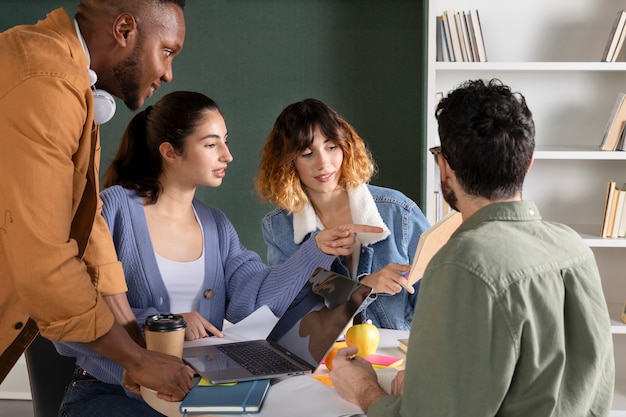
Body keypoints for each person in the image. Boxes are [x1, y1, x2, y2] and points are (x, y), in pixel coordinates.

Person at [54, 91, 381, 416]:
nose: (227, 155)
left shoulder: (216, 225)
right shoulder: (112, 210)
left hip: (196, 393)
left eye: (225, 142)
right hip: (113, 393)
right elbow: (70, 317)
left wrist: (316, 249)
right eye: (211, 145)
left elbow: (252, 301)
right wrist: (166, 325)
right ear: (170, 152)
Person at [329, 79, 616, 416]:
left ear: (445, 168)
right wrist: (429, 382)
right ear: (528, 163)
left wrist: (363, 388)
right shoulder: (574, 248)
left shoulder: (461, 262)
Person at [0, 0, 195, 401]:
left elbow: (87, 225)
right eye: (167, 51)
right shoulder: (48, 83)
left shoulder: (69, 79)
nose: (168, 73)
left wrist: (134, 346)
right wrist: (137, 361)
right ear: (124, 31)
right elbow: (46, 261)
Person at [255, 98, 430, 330]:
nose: (323, 163)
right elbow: (292, 310)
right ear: (288, 163)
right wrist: (364, 288)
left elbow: (437, 299)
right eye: (308, 153)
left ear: (346, 147)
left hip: (395, 357)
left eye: (331, 147)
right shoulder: (279, 227)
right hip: (322, 360)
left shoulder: (398, 211)